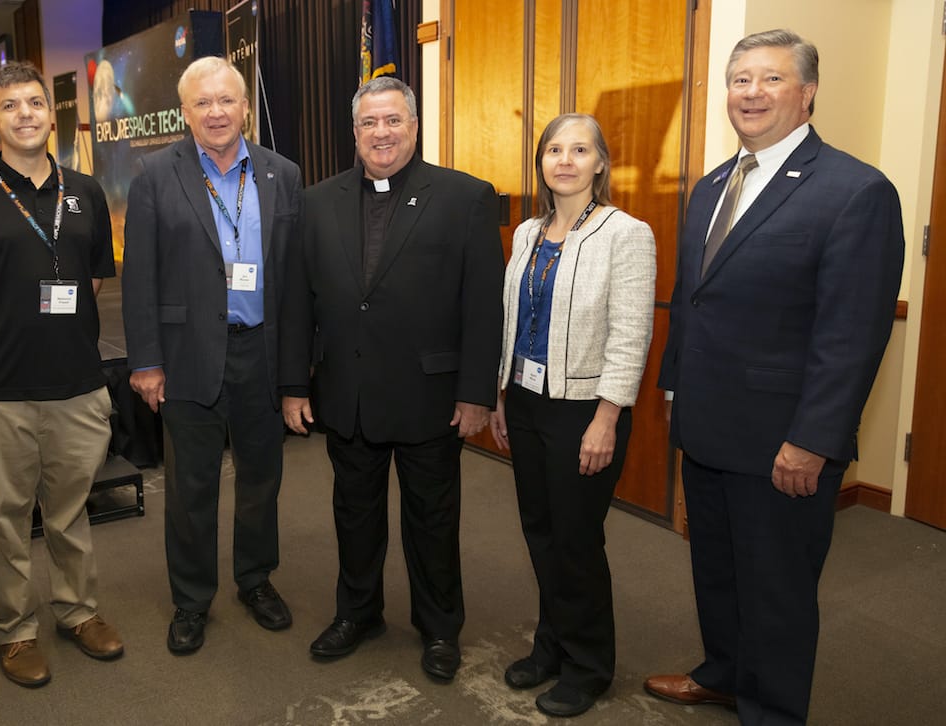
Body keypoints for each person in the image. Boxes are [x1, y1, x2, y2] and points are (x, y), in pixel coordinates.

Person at [648, 29, 904, 725]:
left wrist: (814, 441)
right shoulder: (708, 187)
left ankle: (772, 712)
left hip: (782, 445)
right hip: (707, 427)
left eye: (770, 79)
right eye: (739, 80)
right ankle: (724, 675)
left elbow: (851, 336)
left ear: (808, 93)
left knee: (778, 592)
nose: (751, 94)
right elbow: (691, 299)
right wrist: (676, 394)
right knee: (719, 576)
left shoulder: (856, 191)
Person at [281, 76, 503, 682]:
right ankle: (358, 613)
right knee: (353, 513)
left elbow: (484, 306)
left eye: (393, 120)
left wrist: (477, 392)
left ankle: (439, 628)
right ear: (353, 133)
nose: (381, 133)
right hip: (347, 395)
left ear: (413, 125)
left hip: (431, 396)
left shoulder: (466, 197)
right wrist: (294, 385)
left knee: (432, 519)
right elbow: (300, 301)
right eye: (368, 123)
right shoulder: (318, 201)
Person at [0, 61, 123, 688]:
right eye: (10, 106)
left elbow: (93, 280)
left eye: (35, 104)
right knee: (6, 519)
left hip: (76, 382)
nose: (24, 115)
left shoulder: (87, 192)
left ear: (53, 114)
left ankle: (77, 611)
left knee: (71, 511)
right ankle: (15, 632)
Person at [122, 56, 302, 654]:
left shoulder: (283, 173)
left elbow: (295, 279)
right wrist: (146, 362)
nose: (217, 112)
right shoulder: (154, 174)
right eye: (203, 103)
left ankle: (255, 580)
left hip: (262, 353)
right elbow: (140, 278)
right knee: (190, 487)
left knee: (262, 479)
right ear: (185, 112)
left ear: (245, 106)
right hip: (186, 354)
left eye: (227, 100)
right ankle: (191, 600)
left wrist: (299, 368)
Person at [488, 113, 656, 717]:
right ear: (542, 163)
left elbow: (631, 334)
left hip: (585, 410)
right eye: (553, 149)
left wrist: (607, 418)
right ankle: (551, 646)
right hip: (527, 403)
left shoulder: (625, 233)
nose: (565, 160)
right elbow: (514, 322)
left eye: (579, 150)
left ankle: (589, 666)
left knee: (577, 540)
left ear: (600, 162)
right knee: (540, 530)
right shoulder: (528, 234)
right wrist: (502, 397)